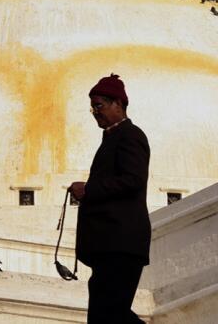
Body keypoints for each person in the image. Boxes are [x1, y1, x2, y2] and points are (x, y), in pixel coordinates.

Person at [69, 73, 150, 323]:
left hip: (121, 242)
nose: (95, 111)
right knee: (108, 314)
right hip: (109, 244)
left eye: (100, 105)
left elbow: (133, 180)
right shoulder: (113, 138)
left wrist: (89, 190)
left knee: (108, 314)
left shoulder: (130, 135)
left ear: (118, 104)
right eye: (93, 107)